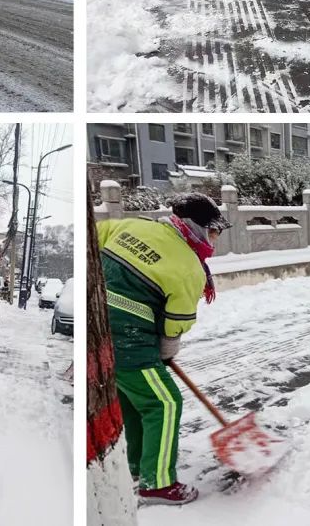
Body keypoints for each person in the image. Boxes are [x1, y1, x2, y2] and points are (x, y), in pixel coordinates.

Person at [98, 193, 232, 507]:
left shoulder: (133, 226)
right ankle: (156, 484)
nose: (215, 238)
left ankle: (135, 466)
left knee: (134, 400)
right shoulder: (189, 268)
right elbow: (175, 326)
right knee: (165, 403)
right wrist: (166, 353)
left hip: (99, 332)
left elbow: (95, 242)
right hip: (129, 341)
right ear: (196, 228)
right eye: (214, 231)